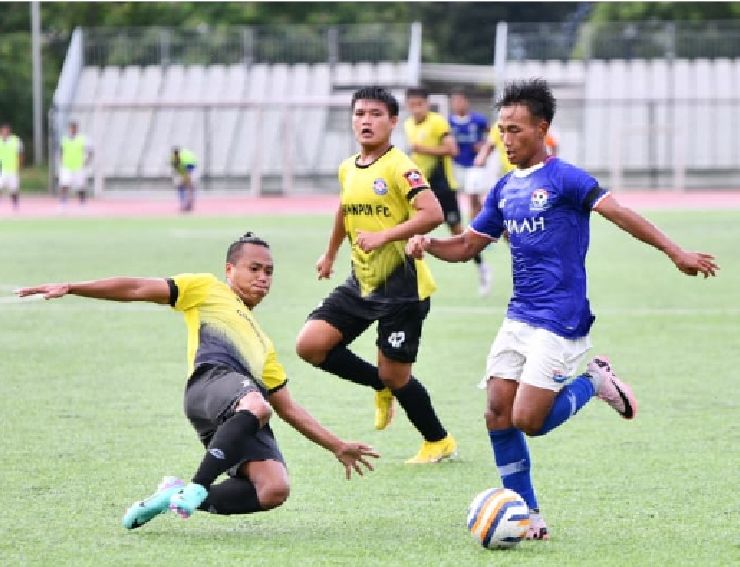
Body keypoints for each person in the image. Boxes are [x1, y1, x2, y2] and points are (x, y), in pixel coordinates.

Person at [406, 79, 718, 539]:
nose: (506, 139)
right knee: (497, 412)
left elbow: (621, 213)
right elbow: (468, 244)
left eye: (515, 130)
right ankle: (530, 517)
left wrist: (676, 252)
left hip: (561, 317)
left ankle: (595, 380)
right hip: (520, 315)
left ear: (541, 129)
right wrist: (430, 244)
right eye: (502, 130)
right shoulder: (504, 189)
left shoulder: (566, 179)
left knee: (528, 421)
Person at [17, 232, 379, 530]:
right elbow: (137, 288)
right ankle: (197, 486)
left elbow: (289, 408)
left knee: (274, 489)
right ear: (229, 270)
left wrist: (337, 445)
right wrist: (73, 286)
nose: (263, 278)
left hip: (241, 410)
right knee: (257, 404)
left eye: (269, 272)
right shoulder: (207, 289)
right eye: (254, 268)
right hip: (211, 384)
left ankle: (174, 493)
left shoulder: (264, 345)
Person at [295, 86, 457, 464]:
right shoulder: (348, 167)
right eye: (359, 114)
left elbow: (432, 213)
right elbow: (344, 208)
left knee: (397, 375)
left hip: (403, 289)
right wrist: (330, 253)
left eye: (375, 114)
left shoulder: (401, 166)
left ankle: (438, 441)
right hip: (362, 281)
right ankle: (378, 385)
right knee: (310, 345)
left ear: (393, 121)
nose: (366, 121)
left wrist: (386, 236)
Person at [404, 87, 489, 295]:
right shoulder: (407, 125)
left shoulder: (438, 122)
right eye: (412, 105)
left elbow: (452, 149)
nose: (416, 109)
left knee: (457, 232)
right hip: (420, 189)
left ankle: (482, 268)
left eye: (420, 104)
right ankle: (409, 282)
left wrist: (423, 149)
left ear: (427, 104)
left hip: (443, 187)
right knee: (410, 233)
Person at [448, 89, 492, 295]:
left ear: (466, 102)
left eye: (460, 100)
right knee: (461, 202)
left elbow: (492, 135)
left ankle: (478, 230)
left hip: (474, 165)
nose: (457, 104)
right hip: (456, 166)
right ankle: (474, 232)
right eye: (454, 101)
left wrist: (483, 147)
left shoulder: (479, 120)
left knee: (474, 198)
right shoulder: (449, 122)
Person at [59, 121, 93, 206]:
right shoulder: (64, 139)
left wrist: (87, 161)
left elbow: (90, 151)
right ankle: (63, 202)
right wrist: (61, 159)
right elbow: (61, 150)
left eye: (74, 128)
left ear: (77, 129)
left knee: (80, 185)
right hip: (67, 165)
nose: (72, 130)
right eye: (71, 128)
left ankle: (82, 202)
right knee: (64, 183)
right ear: (69, 129)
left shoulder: (83, 139)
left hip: (78, 166)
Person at [0, 123, 23, 209]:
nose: (5, 132)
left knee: (14, 189)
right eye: (3, 130)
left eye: (6, 130)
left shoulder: (15, 140)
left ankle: (15, 204)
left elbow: (20, 154)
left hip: (13, 168)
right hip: (2, 169)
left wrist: (20, 166)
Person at [171, 146, 198, 213]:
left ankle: (189, 204)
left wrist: (187, 178)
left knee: (191, 186)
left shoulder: (186, 157)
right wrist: (179, 179)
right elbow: (175, 169)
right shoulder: (173, 158)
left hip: (192, 170)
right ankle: (183, 203)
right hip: (182, 171)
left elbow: (190, 170)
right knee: (180, 186)